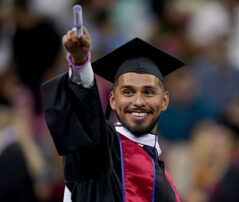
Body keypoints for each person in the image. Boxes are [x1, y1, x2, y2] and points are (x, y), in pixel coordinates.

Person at [42, 27, 184, 202]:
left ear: (164, 101)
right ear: (113, 100)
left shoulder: (164, 180)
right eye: (128, 92)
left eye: (148, 92)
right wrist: (81, 65)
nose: (138, 101)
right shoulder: (103, 148)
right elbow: (86, 119)